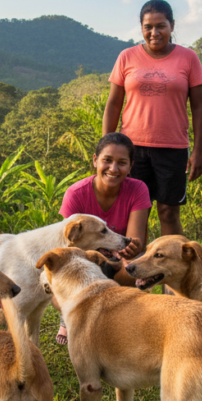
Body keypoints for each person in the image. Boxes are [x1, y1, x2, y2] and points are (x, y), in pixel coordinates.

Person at [103, 0, 202, 237]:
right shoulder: (127, 56)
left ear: (171, 25)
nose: (154, 32)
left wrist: (198, 151)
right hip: (132, 149)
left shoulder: (188, 58)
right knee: (135, 212)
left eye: (161, 26)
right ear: (141, 27)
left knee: (169, 212)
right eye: (148, 27)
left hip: (173, 148)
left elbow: (199, 107)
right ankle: (132, 268)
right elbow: (114, 103)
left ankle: (173, 269)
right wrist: (106, 146)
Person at [54, 132, 151, 344]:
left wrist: (129, 252)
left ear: (131, 165)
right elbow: (67, 244)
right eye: (107, 160)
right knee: (58, 289)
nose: (113, 169)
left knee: (135, 268)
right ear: (95, 160)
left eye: (122, 163)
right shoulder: (76, 193)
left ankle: (112, 313)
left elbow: (134, 241)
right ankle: (69, 316)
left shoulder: (138, 189)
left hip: (119, 257)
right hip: (84, 259)